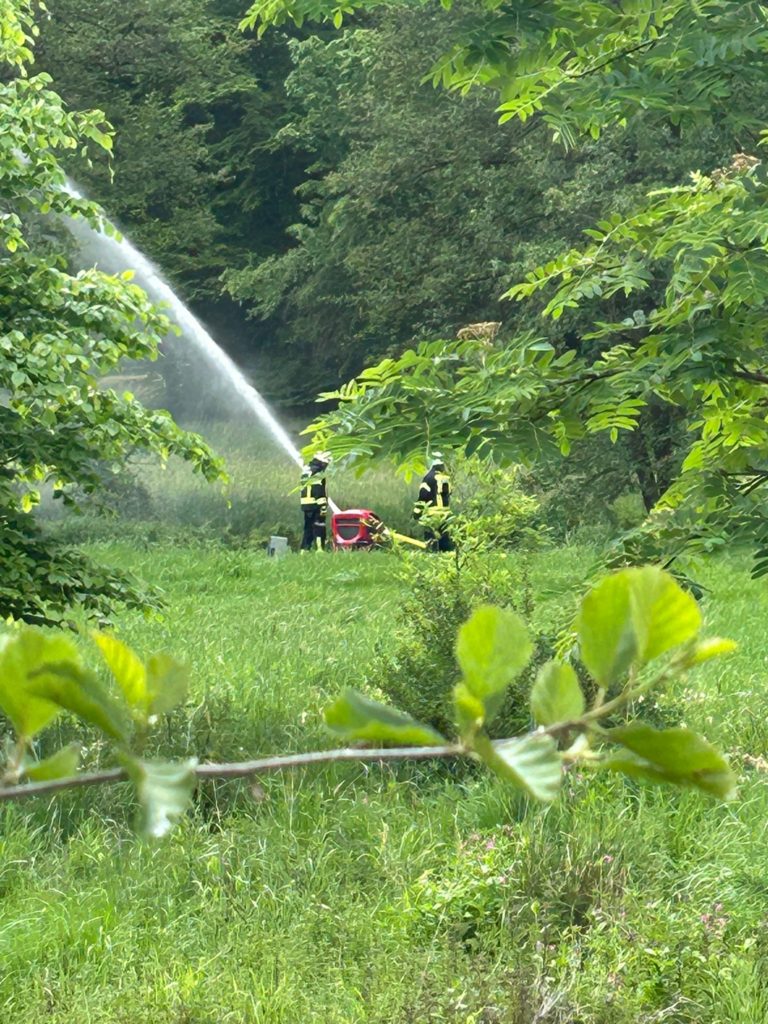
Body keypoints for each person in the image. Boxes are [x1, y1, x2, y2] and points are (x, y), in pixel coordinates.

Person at [413, 452, 453, 551]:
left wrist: (416, 512)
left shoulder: (428, 478)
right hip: (445, 514)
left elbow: (423, 496)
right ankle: (448, 555)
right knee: (444, 538)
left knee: (431, 539)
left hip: (432, 514)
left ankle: (432, 553)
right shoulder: (446, 478)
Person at [300, 452, 330, 551]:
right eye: (325, 464)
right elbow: (318, 490)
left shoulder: (305, 471)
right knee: (319, 526)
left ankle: (304, 549)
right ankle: (319, 549)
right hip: (316, 504)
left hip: (305, 505)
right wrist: (323, 506)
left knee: (307, 528)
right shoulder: (319, 473)